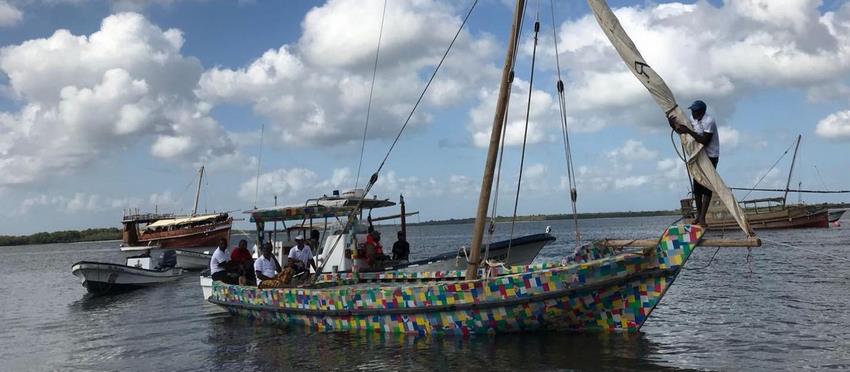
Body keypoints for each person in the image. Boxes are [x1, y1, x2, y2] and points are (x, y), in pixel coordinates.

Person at [669, 99, 719, 226]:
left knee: (707, 186)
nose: (693, 113)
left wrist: (689, 131)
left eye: (695, 111)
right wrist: (672, 123)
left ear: (702, 111)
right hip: (698, 155)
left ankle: (703, 218)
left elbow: (704, 141)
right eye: (692, 111)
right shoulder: (692, 119)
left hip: (711, 156)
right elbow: (681, 130)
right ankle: (698, 216)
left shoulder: (709, 121)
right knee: (697, 186)